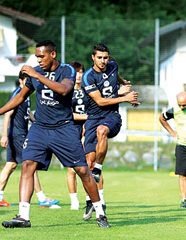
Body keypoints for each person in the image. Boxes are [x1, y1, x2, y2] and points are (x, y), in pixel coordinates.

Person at [0, 40, 109, 228]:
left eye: (42, 56)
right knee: (27, 165)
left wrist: (36, 75)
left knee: (82, 171)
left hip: (63, 128)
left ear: (53, 54)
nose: (38, 60)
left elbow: (64, 89)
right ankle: (23, 217)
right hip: (40, 128)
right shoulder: (36, 72)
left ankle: (100, 212)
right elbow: (20, 96)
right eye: (37, 57)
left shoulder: (67, 71)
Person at [81, 43, 138, 220]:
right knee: (87, 165)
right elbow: (99, 101)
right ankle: (92, 200)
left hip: (111, 117)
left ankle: (99, 168)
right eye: (100, 57)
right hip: (92, 118)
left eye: (106, 57)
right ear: (93, 57)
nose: (103, 61)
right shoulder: (88, 77)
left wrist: (124, 83)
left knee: (102, 131)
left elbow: (116, 76)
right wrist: (125, 97)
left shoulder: (113, 66)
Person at [0, 72, 60, 208]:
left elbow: (29, 114)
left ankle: (0, 196)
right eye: (28, 80)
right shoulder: (17, 94)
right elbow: (7, 114)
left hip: (19, 134)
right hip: (18, 135)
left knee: (11, 165)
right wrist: (4, 135)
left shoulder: (26, 95)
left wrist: (38, 121)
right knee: (30, 164)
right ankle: (42, 198)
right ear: (21, 80)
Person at [66, 62, 89, 210]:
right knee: (71, 168)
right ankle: (74, 200)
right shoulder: (67, 92)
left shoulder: (87, 90)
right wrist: (87, 117)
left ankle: (90, 198)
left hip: (86, 130)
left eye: (81, 72)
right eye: (77, 72)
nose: (79, 75)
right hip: (70, 129)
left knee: (88, 166)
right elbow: (68, 114)